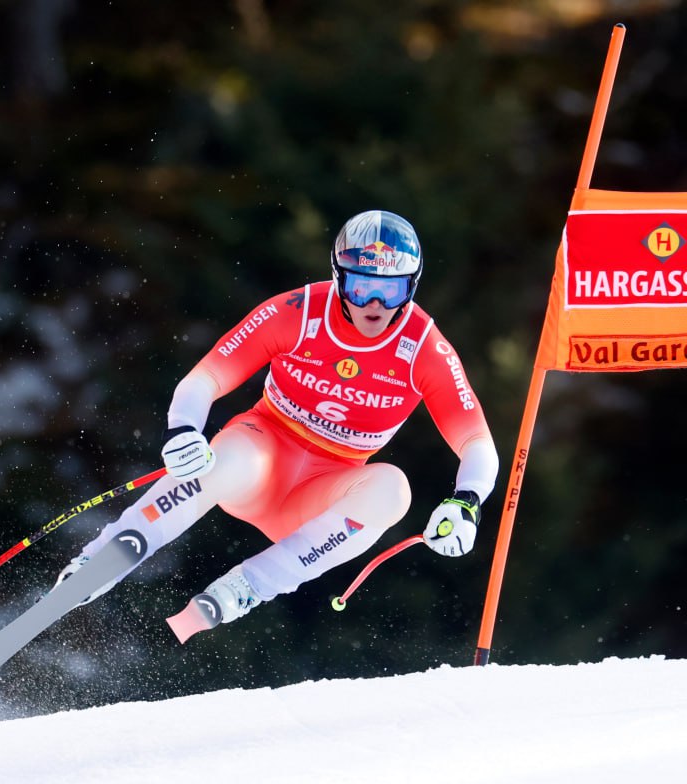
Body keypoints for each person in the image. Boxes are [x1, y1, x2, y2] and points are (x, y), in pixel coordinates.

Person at [57, 210, 500, 642]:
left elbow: (477, 440)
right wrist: (184, 430)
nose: (375, 305)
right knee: (225, 460)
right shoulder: (300, 311)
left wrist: (467, 502)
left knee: (393, 490)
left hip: (324, 489)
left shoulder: (423, 347)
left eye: (392, 290)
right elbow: (207, 377)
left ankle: (248, 587)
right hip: (262, 452)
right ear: (339, 278)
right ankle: (104, 560)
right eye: (362, 287)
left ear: (411, 286)